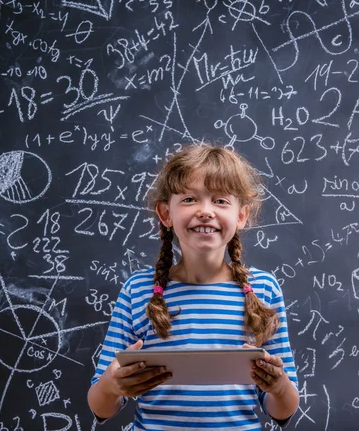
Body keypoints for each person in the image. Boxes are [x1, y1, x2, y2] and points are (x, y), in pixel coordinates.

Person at [88, 144, 299, 430]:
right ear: (165, 214)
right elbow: (100, 407)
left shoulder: (263, 289)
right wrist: (112, 386)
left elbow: (283, 410)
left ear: (241, 216)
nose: (205, 211)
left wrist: (279, 385)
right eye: (189, 198)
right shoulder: (138, 290)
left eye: (221, 201)